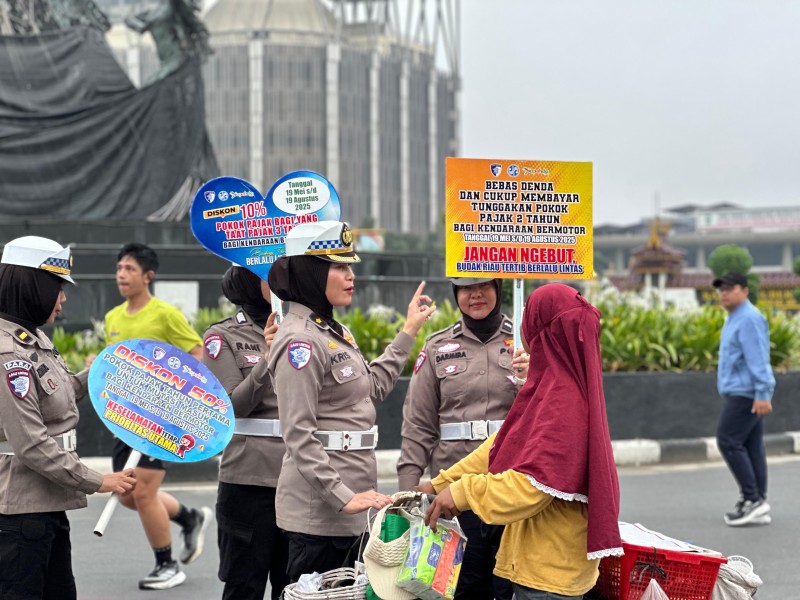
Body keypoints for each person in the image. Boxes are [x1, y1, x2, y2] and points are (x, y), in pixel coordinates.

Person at [421, 283, 622, 600]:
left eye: (528, 316)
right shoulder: (552, 384)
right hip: (539, 565)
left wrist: (461, 493)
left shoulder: (563, 401)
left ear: (543, 330)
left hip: (548, 576)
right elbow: (503, 444)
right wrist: (440, 484)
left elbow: (530, 486)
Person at [266, 220, 435, 581]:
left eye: (350, 266)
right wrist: (341, 495)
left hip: (353, 507)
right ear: (311, 272)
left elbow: (372, 388)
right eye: (338, 266)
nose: (350, 275)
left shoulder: (333, 331)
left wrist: (408, 331)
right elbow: (298, 434)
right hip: (320, 514)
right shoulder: (300, 341)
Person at [0, 236, 136, 599]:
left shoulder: (33, 340)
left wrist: (105, 369)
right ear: (33, 287)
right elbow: (31, 444)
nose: (62, 299)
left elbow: (58, 397)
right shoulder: (8, 354)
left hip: (46, 506)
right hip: (20, 515)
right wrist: (98, 480)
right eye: (57, 287)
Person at [397, 277, 529, 600]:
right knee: (459, 590)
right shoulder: (437, 347)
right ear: (455, 292)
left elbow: (544, 413)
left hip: (508, 493)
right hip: (453, 500)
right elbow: (418, 426)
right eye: (466, 288)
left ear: (498, 287)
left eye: (484, 285)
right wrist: (407, 494)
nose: (476, 294)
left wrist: (532, 377)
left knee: (509, 590)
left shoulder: (525, 343)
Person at [96, 242, 212, 590]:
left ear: (148, 276)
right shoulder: (113, 318)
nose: (121, 274)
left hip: (159, 422)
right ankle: (189, 518)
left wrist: (171, 393)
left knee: (143, 492)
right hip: (124, 421)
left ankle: (167, 565)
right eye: (119, 268)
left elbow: (198, 355)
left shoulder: (166, 314)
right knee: (127, 495)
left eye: (129, 269)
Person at [202, 265, 289, 599]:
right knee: (244, 585)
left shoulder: (299, 329)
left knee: (293, 586)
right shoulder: (222, 336)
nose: (279, 282)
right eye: (268, 275)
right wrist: (267, 357)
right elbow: (233, 406)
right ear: (250, 281)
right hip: (249, 482)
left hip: (297, 477)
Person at [712, 272, 775, 527]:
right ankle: (757, 500)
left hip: (746, 393)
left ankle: (753, 499)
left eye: (730, 288)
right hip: (742, 391)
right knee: (751, 446)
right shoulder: (735, 317)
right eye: (721, 289)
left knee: (727, 440)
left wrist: (763, 392)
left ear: (745, 291)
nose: (724, 293)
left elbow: (759, 358)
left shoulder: (748, 318)